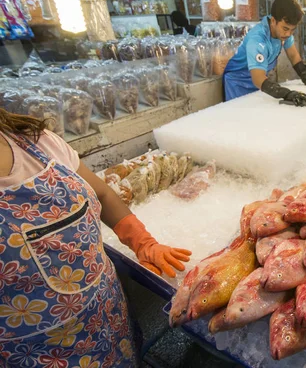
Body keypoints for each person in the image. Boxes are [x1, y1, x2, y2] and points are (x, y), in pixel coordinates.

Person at [0, 109, 192, 366]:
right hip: (35, 353)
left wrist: (143, 242)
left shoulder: (35, 140)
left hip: (110, 317)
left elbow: (102, 193)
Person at [223, 0, 306, 104]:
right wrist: (286, 93)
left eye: (292, 30)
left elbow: (293, 56)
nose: (288, 34)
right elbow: (257, 79)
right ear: (273, 21)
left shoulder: (284, 34)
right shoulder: (257, 40)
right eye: (285, 29)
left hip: (262, 83)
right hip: (239, 83)